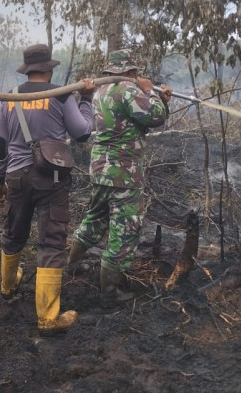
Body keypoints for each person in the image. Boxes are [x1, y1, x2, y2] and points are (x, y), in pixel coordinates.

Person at [0, 43, 96, 334]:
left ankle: (8, 286)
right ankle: (48, 318)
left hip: (15, 177)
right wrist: (86, 99)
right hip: (51, 179)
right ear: (50, 69)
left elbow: (0, 144)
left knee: (13, 233)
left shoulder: (7, 97)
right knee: (51, 242)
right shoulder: (60, 95)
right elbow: (83, 132)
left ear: (27, 70)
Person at [66, 49, 171, 308]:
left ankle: (70, 266)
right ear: (130, 71)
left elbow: (136, 118)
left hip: (101, 168)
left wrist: (159, 98)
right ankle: (110, 291)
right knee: (124, 229)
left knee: (95, 218)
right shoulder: (128, 90)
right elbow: (155, 116)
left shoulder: (101, 91)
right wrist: (152, 93)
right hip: (124, 172)